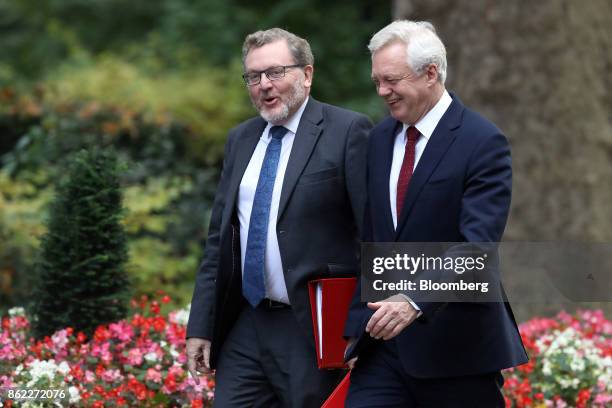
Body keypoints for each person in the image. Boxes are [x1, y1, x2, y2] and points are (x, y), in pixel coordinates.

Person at [343, 20, 528, 407]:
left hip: (457, 352)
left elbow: (476, 248)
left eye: (391, 80)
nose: (382, 92)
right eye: (377, 81)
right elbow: (374, 239)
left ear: (431, 73)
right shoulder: (379, 139)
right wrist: (357, 328)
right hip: (382, 353)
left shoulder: (483, 141)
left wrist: (413, 299)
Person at [185, 27, 371, 407]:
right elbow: (219, 241)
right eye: (254, 77)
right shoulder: (241, 139)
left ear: (306, 74)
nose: (264, 85)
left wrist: (359, 325)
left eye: (276, 72)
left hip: (312, 327)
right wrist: (201, 326)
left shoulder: (347, 130)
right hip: (246, 324)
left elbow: (372, 233)